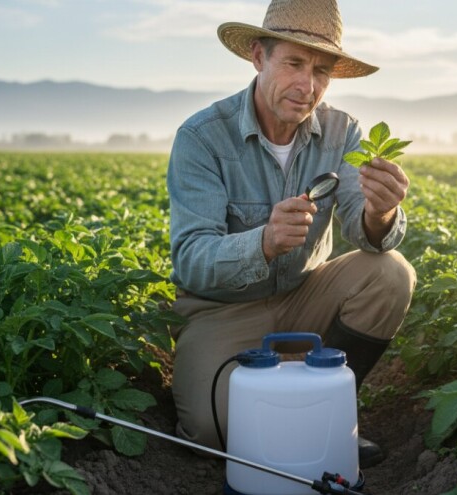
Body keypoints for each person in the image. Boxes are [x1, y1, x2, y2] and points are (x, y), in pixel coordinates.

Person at [167, 0, 416, 469]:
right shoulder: (202, 138)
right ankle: (285, 406)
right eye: (295, 63)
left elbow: (364, 228)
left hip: (306, 296)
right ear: (259, 57)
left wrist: (381, 213)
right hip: (223, 311)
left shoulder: (344, 132)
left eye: (322, 70)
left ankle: (332, 415)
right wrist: (261, 242)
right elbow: (191, 259)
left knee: (389, 273)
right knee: (211, 430)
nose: (308, 86)